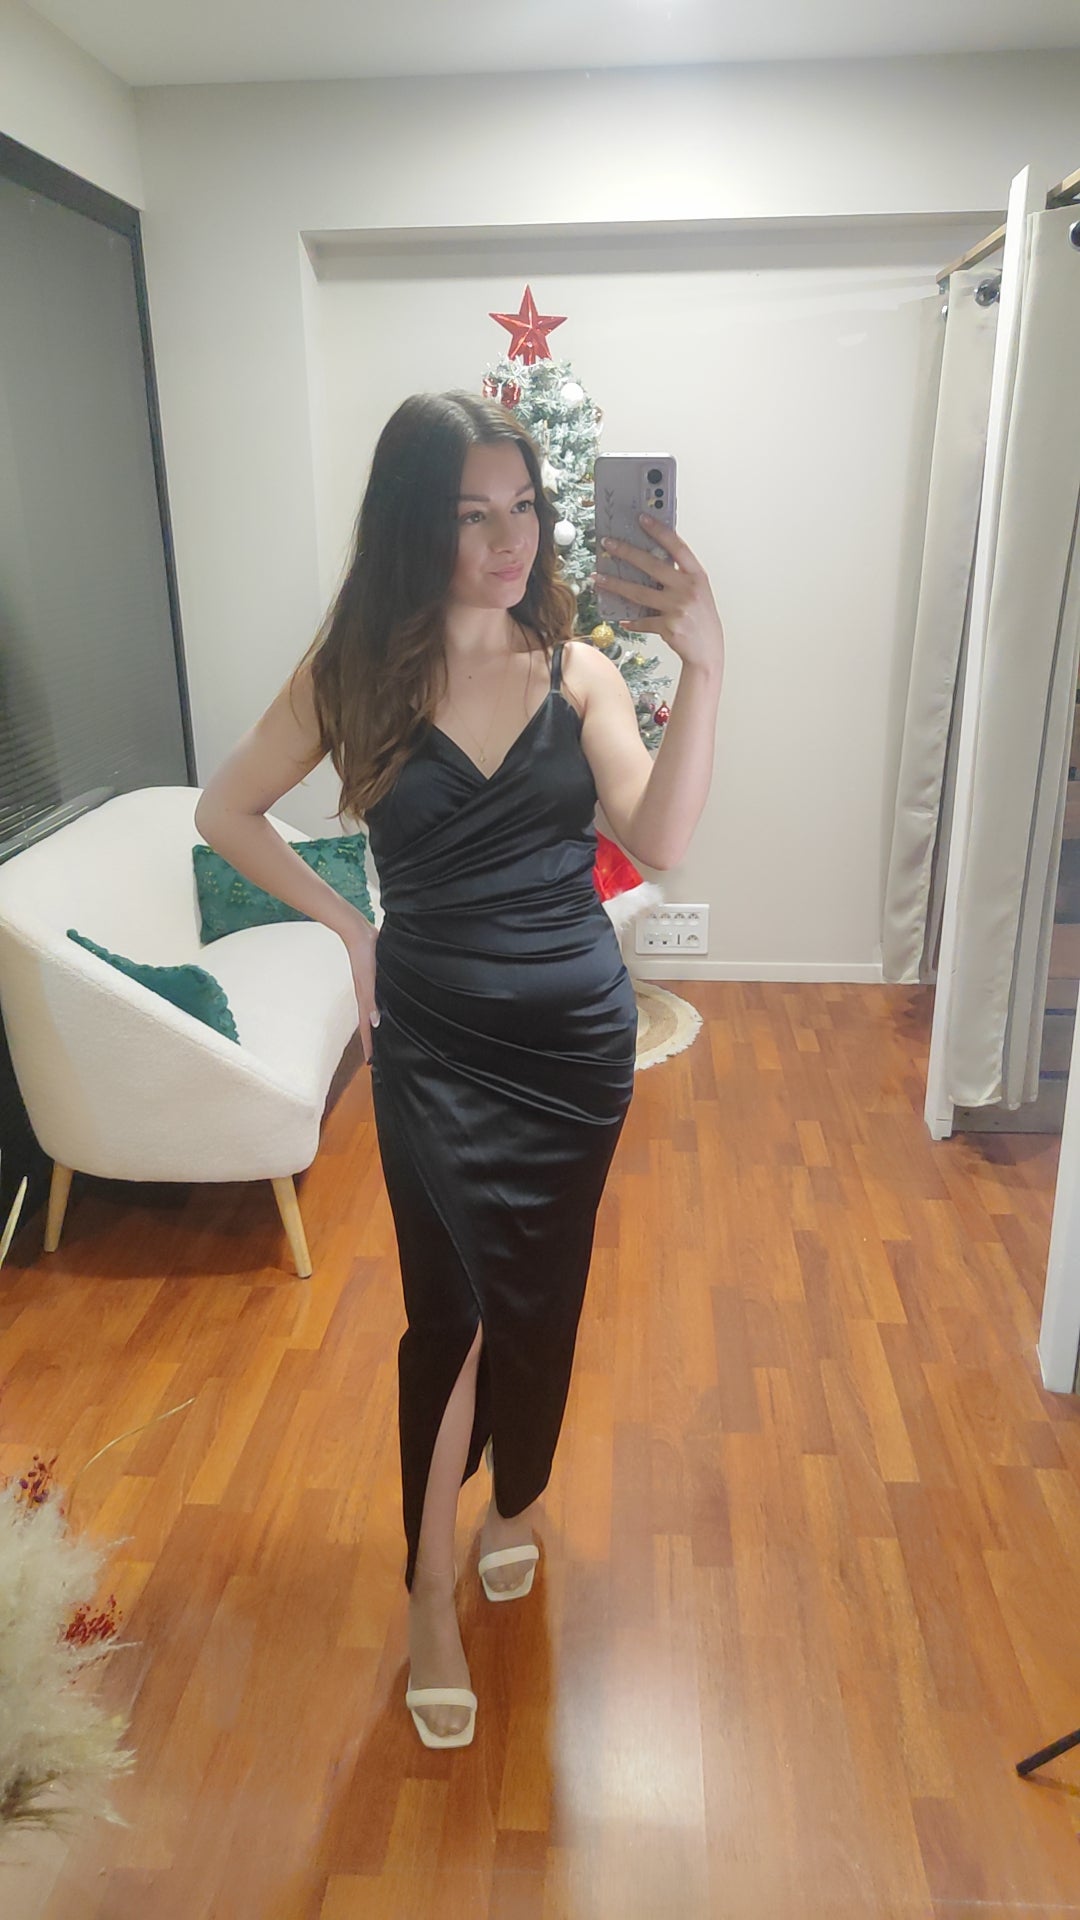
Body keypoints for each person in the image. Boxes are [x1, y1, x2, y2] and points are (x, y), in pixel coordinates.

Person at [193, 391, 724, 1750]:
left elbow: (660, 838)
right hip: (432, 1048)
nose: (507, 541)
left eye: (523, 509)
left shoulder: (580, 675)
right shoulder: (356, 676)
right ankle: (429, 1585)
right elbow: (226, 810)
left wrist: (706, 670)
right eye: (472, 515)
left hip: (576, 1050)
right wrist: (349, 925)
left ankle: (514, 1501)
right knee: (457, 1311)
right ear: (413, 529)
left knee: (540, 1296)